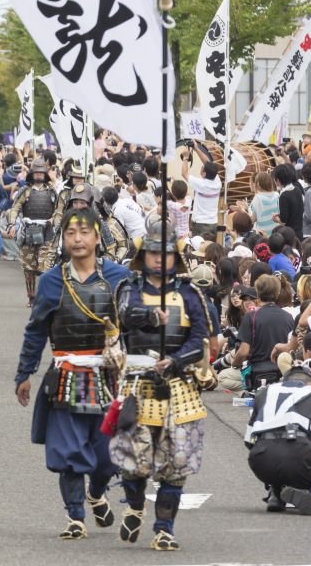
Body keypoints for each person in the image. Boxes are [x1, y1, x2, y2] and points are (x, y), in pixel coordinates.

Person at [15, 205, 130, 540]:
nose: (78, 239)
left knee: (107, 456)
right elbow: (36, 330)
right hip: (66, 378)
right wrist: (24, 373)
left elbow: (135, 325)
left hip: (109, 378)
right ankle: (75, 516)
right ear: (63, 239)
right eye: (70, 233)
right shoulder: (51, 282)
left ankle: (97, 492)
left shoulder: (120, 278)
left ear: (98, 237)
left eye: (84, 232)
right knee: (69, 451)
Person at [111, 219, 211, 551]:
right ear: (144, 255)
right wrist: (152, 317)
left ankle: (164, 528)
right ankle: (135, 505)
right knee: (133, 460)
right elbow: (126, 315)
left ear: (175, 257)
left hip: (179, 385)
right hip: (138, 382)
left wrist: (177, 360)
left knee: (176, 464)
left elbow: (200, 338)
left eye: (165, 253)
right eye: (153, 252)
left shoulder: (189, 293)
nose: (158, 259)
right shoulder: (129, 288)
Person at [245, 356, 311, 514]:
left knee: (279, 456)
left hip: (261, 460)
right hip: (299, 456)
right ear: (309, 382)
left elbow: (249, 441)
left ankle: (275, 491)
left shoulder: (265, 392)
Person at [8, 158, 62, 308]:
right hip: (28, 233)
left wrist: (54, 219)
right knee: (28, 268)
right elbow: (15, 208)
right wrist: (12, 224)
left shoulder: (52, 192)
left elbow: (59, 210)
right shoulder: (25, 191)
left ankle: (44, 297)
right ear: (32, 174)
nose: (39, 175)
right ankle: (31, 297)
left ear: (45, 174)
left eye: (41, 172)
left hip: (47, 232)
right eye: (36, 172)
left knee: (46, 267)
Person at [229, 273, 296, 387]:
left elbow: (244, 351)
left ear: (258, 293)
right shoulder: (288, 317)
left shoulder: (251, 316)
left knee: (225, 377)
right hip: (281, 370)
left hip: (257, 372)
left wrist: (235, 363)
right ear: (277, 293)